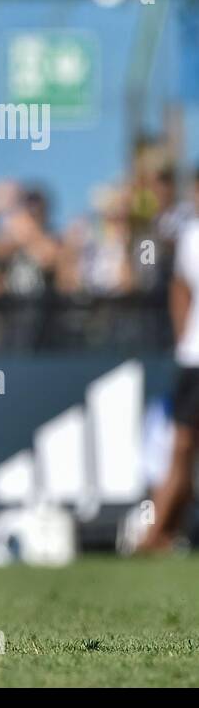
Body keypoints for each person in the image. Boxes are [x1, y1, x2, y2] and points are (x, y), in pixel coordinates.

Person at [140, 214, 199, 551]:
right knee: (182, 447)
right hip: (194, 359)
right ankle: (157, 535)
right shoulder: (191, 234)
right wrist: (183, 338)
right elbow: (180, 287)